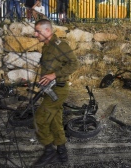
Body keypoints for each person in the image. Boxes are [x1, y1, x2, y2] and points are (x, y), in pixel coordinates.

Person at [33, 19, 79, 167]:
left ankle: (49, 151)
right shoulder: (46, 47)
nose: (35, 34)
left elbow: (74, 64)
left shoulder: (60, 46)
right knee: (55, 120)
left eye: (38, 31)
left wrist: (54, 75)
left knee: (40, 118)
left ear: (47, 31)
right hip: (49, 89)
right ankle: (62, 153)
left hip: (58, 88)